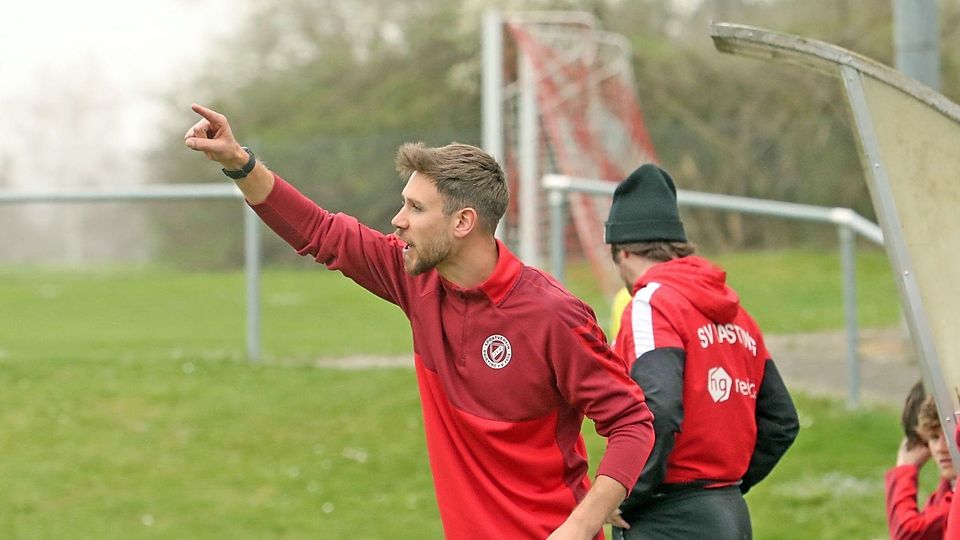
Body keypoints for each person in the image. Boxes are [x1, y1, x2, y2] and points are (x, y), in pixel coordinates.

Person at [183, 104, 655, 540]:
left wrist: (580, 525)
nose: (397, 219)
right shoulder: (415, 279)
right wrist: (239, 162)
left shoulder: (553, 315)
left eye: (416, 207)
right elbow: (319, 231)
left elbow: (632, 421)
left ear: (463, 222)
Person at [602, 164, 799, 539]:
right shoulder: (739, 315)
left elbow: (657, 409)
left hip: (668, 520)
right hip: (730, 516)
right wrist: (724, 487)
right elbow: (782, 421)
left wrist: (625, 493)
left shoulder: (650, 304)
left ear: (622, 252)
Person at [886, 391, 956, 539]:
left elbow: (908, 533)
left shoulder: (953, 498)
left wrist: (903, 470)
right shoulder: (946, 490)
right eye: (934, 437)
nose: (940, 448)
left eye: (949, 435)